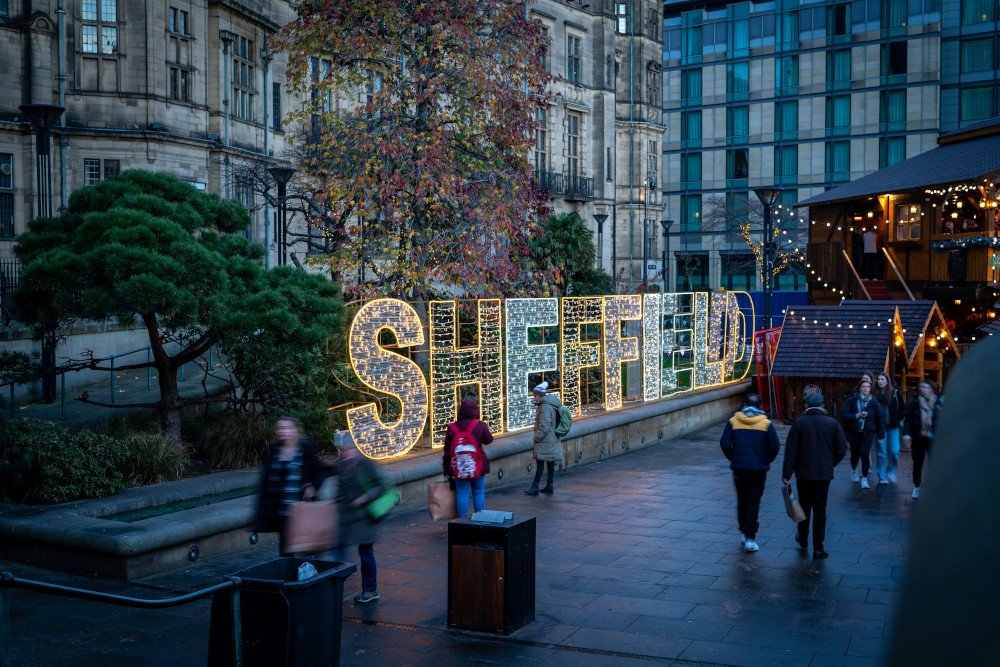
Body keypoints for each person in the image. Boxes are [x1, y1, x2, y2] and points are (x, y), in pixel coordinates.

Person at [782, 385, 848, 560]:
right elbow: (841, 449)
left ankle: (803, 539)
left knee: (803, 508)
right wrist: (830, 464)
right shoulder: (832, 424)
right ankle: (818, 548)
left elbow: (791, 452)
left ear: (806, 406)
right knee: (820, 509)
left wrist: (787, 474)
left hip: (803, 473)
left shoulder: (799, 424)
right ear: (823, 406)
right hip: (823, 474)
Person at [255, 417, 330, 556]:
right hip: (282, 512)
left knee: (307, 549)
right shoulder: (273, 451)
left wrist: (312, 486)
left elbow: (322, 470)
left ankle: (310, 575)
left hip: (301, 510)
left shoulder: (305, 449)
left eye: (287, 428)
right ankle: (290, 576)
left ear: (296, 430)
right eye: (280, 428)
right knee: (286, 552)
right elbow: (266, 481)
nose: (283, 431)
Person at [719, 393, 781, 553]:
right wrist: (766, 460)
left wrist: (734, 458)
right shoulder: (766, 424)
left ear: (744, 404)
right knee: (753, 501)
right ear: (760, 406)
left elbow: (724, 443)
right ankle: (751, 538)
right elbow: (774, 446)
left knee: (742, 499)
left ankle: (743, 531)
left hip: (739, 469)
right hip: (758, 470)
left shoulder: (733, 421)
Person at [333, 435, 386, 604]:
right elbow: (341, 486)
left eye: (348, 449)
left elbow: (381, 486)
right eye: (342, 450)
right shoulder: (341, 465)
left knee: (366, 553)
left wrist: (364, 497)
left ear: (355, 449)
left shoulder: (365, 464)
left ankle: (371, 590)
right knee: (338, 550)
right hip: (347, 516)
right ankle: (333, 586)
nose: (345, 453)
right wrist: (339, 496)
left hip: (364, 516)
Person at [442, 398, 494, 517]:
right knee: (478, 492)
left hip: (460, 467)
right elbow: (489, 440)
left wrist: (447, 469)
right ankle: (479, 517)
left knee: (462, 493)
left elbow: (447, 451)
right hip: (478, 466)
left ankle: (462, 521)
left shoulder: (452, 428)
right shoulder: (480, 425)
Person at [841, 379, 885, 489]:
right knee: (855, 453)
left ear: (870, 389)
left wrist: (881, 437)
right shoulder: (851, 400)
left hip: (868, 432)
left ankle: (864, 479)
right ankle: (854, 470)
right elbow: (844, 415)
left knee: (865, 453)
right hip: (854, 431)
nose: (865, 389)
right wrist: (857, 415)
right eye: (863, 387)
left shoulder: (874, 403)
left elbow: (880, 420)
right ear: (859, 388)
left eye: (867, 387)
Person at [902, 381, 940, 499]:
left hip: (933, 438)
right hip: (918, 437)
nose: (922, 389)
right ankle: (917, 486)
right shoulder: (914, 403)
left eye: (925, 387)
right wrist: (907, 434)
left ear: (931, 389)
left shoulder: (938, 403)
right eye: (921, 387)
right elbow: (907, 420)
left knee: (934, 464)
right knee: (917, 463)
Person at [524, 381, 563, 496]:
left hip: (545, 439)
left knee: (540, 461)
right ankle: (549, 485)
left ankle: (535, 486)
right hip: (552, 438)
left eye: (535, 396)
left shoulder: (545, 407)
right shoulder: (551, 404)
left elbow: (544, 425)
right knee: (550, 462)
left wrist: (537, 437)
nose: (534, 398)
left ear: (540, 396)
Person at [875, 372, 904, 484]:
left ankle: (891, 470)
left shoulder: (894, 393)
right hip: (880, 427)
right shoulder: (874, 394)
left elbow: (903, 408)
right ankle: (882, 476)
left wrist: (898, 419)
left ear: (887, 381)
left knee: (894, 451)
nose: (880, 381)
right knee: (881, 452)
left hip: (893, 427)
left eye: (883, 379)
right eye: (879, 380)